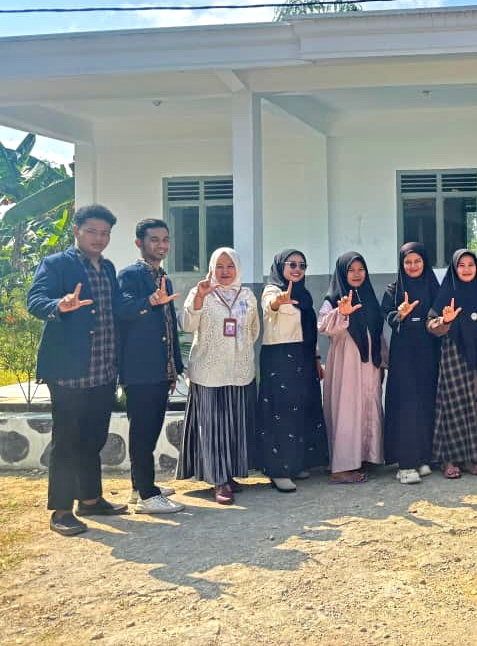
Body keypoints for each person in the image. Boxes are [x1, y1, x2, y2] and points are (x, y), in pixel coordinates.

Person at [27, 204, 156, 535]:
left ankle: (90, 498)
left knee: (93, 438)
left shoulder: (108, 267)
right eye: (92, 232)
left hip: (102, 369)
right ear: (76, 231)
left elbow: (117, 308)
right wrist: (60, 305)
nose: (99, 239)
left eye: (105, 233)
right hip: (69, 370)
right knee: (67, 439)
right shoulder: (56, 265)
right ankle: (60, 510)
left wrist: (148, 303)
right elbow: (35, 300)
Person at [176, 247, 260, 505]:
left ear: (238, 269)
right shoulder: (200, 292)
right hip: (208, 371)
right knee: (212, 427)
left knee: (234, 425)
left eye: (230, 266)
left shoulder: (247, 294)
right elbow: (187, 325)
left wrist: (239, 349)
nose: (225, 272)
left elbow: (253, 329)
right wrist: (199, 299)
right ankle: (218, 480)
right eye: (219, 266)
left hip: (239, 370)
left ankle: (230, 474)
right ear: (212, 269)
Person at [117, 218, 186, 515]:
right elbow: (121, 310)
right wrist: (149, 300)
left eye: (165, 239)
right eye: (154, 239)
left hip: (160, 369)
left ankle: (138, 487)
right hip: (139, 368)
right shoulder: (130, 275)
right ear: (139, 243)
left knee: (151, 428)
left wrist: (173, 367)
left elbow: (169, 326)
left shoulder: (163, 277)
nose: (161, 245)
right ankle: (148, 495)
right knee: (143, 432)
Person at [256, 249, 329, 493]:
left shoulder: (304, 294)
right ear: (280, 267)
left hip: (304, 357)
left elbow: (310, 331)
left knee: (301, 410)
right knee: (282, 411)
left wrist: (317, 359)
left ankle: (296, 463)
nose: (297, 269)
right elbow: (269, 307)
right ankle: (278, 470)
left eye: (302, 265)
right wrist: (278, 302)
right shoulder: (272, 290)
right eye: (292, 264)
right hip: (280, 358)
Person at [427, 249, 477, 479]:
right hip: (455, 356)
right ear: (454, 268)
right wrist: (445, 320)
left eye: (471, 265)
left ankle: (473, 458)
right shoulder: (446, 293)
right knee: (454, 405)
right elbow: (431, 326)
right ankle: (449, 459)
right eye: (462, 265)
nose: (467, 269)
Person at [319, 252, 385, 484]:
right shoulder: (334, 298)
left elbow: (376, 331)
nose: (357, 274)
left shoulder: (368, 296)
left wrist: (383, 358)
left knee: (367, 405)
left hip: (369, 365)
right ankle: (341, 467)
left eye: (361, 269)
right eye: (351, 270)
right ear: (341, 273)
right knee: (347, 410)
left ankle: (364, 456)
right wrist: (341, 313)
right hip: (347, 363)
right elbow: (323, 326)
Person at [381, 243, 441, 485]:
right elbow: (387, 315)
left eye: (417, 261)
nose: (413, 266)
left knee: (426, 402)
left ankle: (422, 457)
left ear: (424, 262)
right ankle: (405, 464)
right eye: (408, 262)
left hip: (428, 351)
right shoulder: (394, 289)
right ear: (401, 264)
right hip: (404, 353)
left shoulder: (433, 286)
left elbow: (441, 313)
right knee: (406, 405)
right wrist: (400, 314)